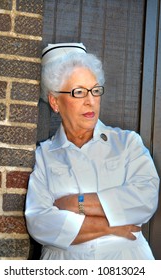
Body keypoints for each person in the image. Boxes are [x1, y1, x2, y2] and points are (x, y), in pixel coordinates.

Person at [25, 42, 160, 260]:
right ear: (55, 102)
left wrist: (75, 203)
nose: (90, 101)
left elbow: (144, 199)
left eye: (95, 90)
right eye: (78, 92)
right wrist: (112, 226)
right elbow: (39, 222)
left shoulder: (127, 143)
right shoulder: (44, 155)